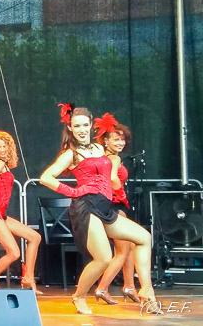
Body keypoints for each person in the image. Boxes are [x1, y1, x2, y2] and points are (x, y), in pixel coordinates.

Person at [39, 104, 159, 315]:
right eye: (77, 126)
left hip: (105, 207)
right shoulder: (71, 154)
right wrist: (74, 191)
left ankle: (146, 291)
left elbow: (112, 172)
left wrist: (116, 168)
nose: (82, 129)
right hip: (86, 208)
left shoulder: (99, 149)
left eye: (85, 125)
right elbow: (45, 178)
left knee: (144, 238)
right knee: (103, 257)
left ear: (91, 126)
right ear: (71, 128)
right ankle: (79, 296)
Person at [0, 130, 42, 293]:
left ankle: (28, 279)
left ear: (9, 147)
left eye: (3, 146)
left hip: (0, 213)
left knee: (35, 237)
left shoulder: (3, 163)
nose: (1, 150)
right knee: (14, 252)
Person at [93, 114, 139, 304]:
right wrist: (119, 191)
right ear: (105, 140)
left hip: (113, 204)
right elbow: (112, 178)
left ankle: (129, 286)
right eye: (116, 139)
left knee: (130, 245)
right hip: (114, 205)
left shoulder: (107, 157)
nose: (120, 143)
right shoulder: (113, 158)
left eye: (122, 139)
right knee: (122, 250)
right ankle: (102, 288)